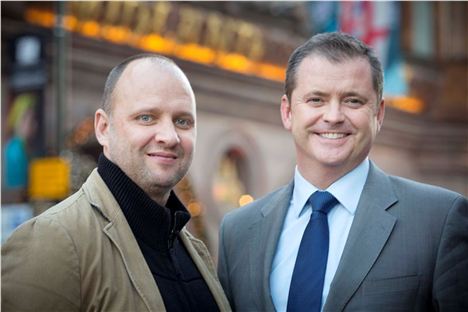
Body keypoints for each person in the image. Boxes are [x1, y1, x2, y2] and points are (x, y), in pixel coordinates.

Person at [217, 32, 468, 312]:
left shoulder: (438, 220)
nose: (334, 116)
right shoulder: (238, 231)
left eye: (353, 101)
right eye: (316, 100)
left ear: (379, 114)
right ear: (287, 112)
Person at [2, 54, 231, 312]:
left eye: (182, 121)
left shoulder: (196, 253)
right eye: (146, 117)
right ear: (103, 128)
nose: (169, 136)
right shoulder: (51, 243)